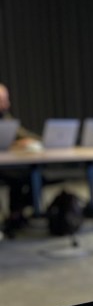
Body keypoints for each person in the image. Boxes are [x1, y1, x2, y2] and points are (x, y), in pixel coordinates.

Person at [0, 81, 41, 236]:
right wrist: (16, 143)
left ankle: (17, 213)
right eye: (2, 100)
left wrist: (38, 141)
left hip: (8, 164)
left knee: (33, 174)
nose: (6, 103)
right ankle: (15, 214)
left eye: (6, 99)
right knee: (20, 176)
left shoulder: (5, 117)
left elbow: (22, 133)